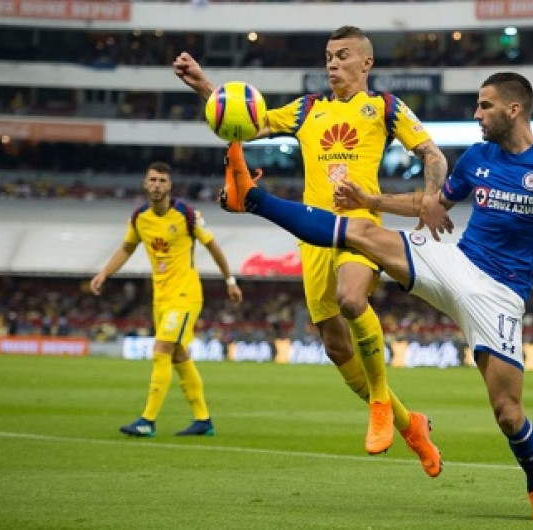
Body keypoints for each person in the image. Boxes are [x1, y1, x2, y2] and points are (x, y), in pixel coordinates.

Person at [218, 72, 533, 521]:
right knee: (363, 233)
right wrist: (371, 198)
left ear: (514, 109)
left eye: (485, 106)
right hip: (455, 264)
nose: (476, 114)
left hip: (500, 296)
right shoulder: (476, 159)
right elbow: (431, 206)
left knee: (508, 413)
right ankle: (253, 198)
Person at [174, 26, 446, 474]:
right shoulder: (307, 110)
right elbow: (248, 120)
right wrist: (206, 86)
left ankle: (380, 404)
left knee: (352, 298)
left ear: (366, 64)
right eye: (328, 56)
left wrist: (432, 198)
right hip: (314, 235)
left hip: (360, 228)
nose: (332, 64)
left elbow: (433, 156)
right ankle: (410, 425)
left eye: (342, 56)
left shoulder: (385, 107)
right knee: (337, 349)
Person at [90, 162, 243, 437]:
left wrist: (230, 280)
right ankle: (203, 419)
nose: (157, 184)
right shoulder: (139, 218)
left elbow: (212, 245)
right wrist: (104, 273)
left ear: (170, 186)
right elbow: (126, 249)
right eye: (153, 180)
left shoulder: (186, 214)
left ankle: (147, 420)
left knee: (161, 350)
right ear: (145, 184)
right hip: (160, 298)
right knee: (178, 355)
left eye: (162, 180)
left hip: (185, 295)